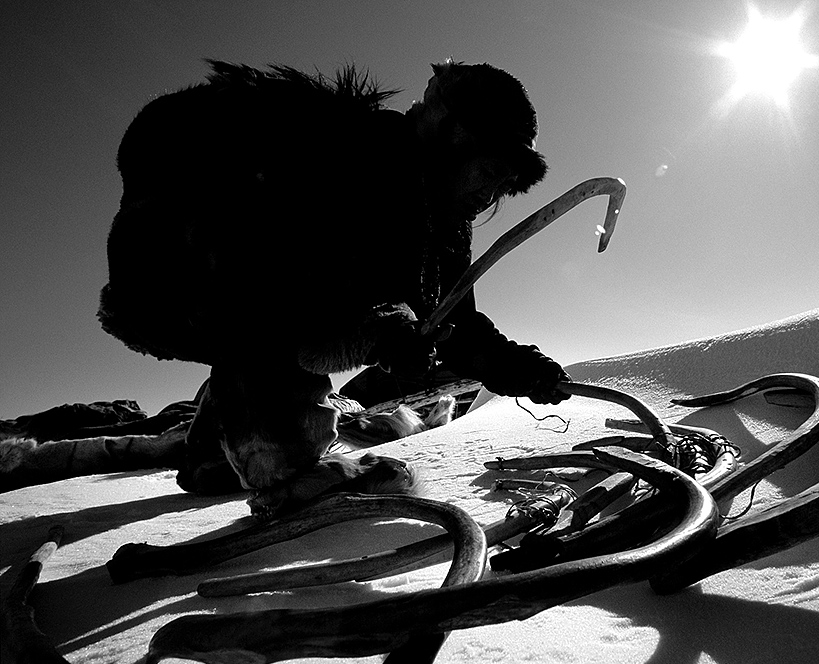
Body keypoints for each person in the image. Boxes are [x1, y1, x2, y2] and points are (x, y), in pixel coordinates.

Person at [97, 59, 570, 503]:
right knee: (268, 315)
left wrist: (514, 366)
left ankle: (212, 456)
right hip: (175, 280)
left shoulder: (444, 219)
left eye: (504, 185)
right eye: (487, 171)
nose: (490, 194)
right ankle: (285, 472)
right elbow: (288, 285)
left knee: (282, 322)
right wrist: (385, 332)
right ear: (451, 134)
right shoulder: (347, 156)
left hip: (255, 294)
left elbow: (450, 318)